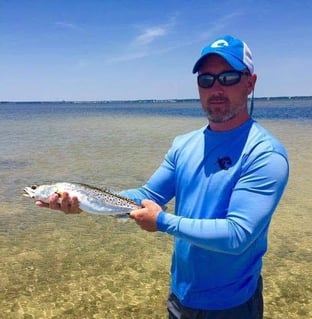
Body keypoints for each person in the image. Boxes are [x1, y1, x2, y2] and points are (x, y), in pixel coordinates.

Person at [37, 35, 289, 319]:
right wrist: (83, 201)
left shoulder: (265, 154)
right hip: (180, 297)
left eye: (228, 77)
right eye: (206, 80)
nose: (216, 88)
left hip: (232, 305)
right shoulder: (184, 144)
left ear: (250, 83)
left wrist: (162, 222)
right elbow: (148, 196)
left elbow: (237, 236)